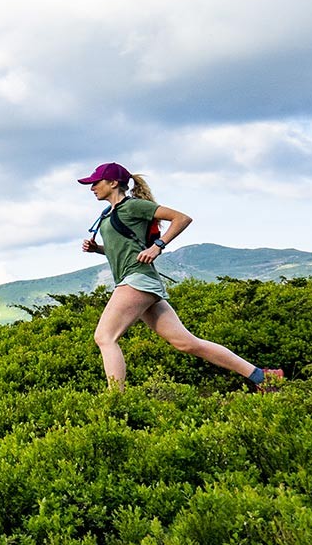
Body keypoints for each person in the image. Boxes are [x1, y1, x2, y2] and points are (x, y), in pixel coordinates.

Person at [77, 162, 280, 392]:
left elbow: (182, 218)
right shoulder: (108, 214)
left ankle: (117, 401)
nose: (92, 187)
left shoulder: (134, 206)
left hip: (136, 280)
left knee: (105, 337)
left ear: (113, 183)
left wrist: (158, 246)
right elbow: (126, 248)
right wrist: (98, 249)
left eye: (96, 182)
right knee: (185, 343)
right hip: (139, 281)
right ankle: (262, 377)